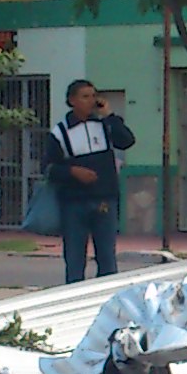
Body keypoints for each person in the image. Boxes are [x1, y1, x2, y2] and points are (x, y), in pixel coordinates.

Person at [41, 78, 135, 283]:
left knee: (107, 259)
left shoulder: (104, 125)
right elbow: (48, 168)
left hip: (104, 200)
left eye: (94, 96)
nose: (91, 101)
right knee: (75, 259)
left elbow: (127, 141)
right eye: (85, 97)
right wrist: (72, 171)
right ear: (72, 100)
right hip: (74, 203)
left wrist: (110, 116)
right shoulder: (60, 132)